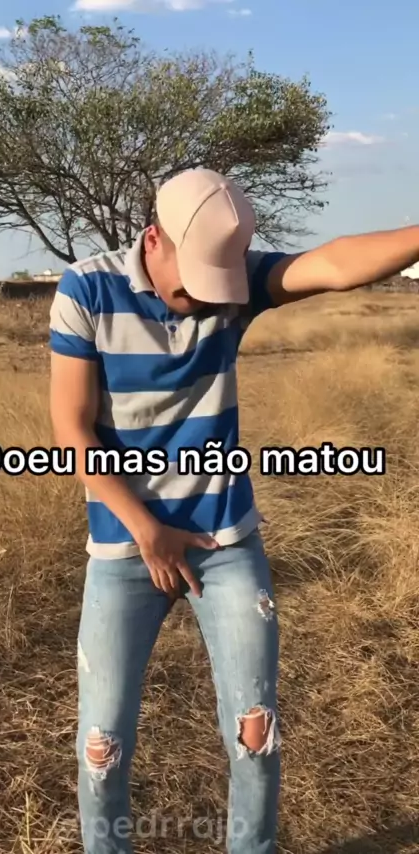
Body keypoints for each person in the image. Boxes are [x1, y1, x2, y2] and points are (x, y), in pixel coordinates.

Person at [48, 167, 418, 854]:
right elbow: (72, 429)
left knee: (256, 731)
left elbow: (336, 264)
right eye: (191, 283)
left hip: (225, 543)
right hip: (125, 547)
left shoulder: (233, 283)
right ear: (152, 238)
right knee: (102, 744)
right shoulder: (86, 289)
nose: (203, 301)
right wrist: (148, 531)